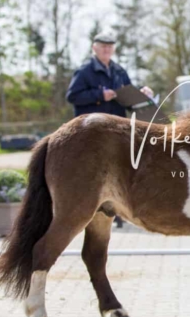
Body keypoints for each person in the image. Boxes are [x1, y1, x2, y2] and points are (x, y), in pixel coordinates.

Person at [66, 31, 154, 228]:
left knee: (119, 173)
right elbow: (72, 96)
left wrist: (142, 94)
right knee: (92, 174)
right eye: (102, 46)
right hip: (91, 134)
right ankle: (86, 212)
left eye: (109, 46)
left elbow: (129, 97)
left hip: (116, 133)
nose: (106, 49)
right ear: (94, 48)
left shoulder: (119, 71)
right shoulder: (84, 71)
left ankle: (119, 212)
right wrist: (99, 95)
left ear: (113, 49)